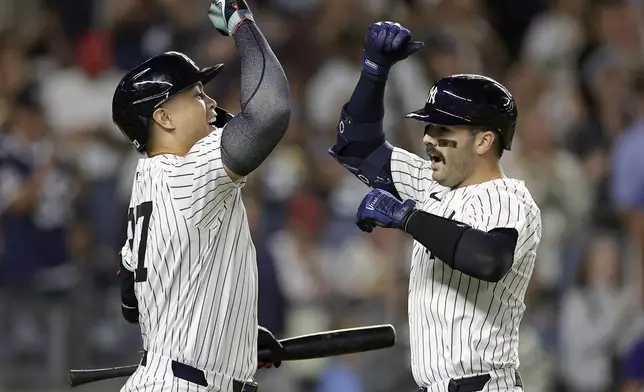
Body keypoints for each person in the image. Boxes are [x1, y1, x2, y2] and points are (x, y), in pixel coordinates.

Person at [329, 21, 542, 391]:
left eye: (444, 131)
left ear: (484, 141)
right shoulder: (427, 182)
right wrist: (374, 71)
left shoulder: (510, 197)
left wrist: (408, 217)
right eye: (429, 127)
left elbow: (489, 258)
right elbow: (356, 147)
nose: (428, 138)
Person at [111, 1, 290, 391]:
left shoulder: (147, 180)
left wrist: (233, 334)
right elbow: (270, 111)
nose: (210, 103)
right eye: (195, 95)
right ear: (164, 117)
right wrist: (242, 21)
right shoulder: (187, 173)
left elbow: (132, 303)